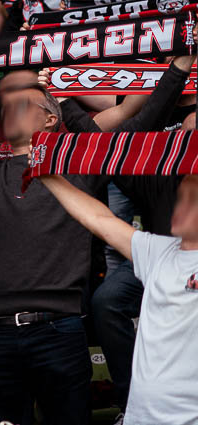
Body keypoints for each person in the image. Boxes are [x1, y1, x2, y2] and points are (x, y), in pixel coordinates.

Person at [0, 50, 195, 425]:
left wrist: (179, 67)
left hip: (59, 330)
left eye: (25, 100)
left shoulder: (76, 168)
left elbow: (145, 120)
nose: (11, 105)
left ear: (51, 118)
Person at [35, 171, 198, 424]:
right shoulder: (157, 252)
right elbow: (97, 218)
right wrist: (46, 175)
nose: (180, 204)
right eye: (181, 196)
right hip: (139, 418)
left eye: (192, 198)